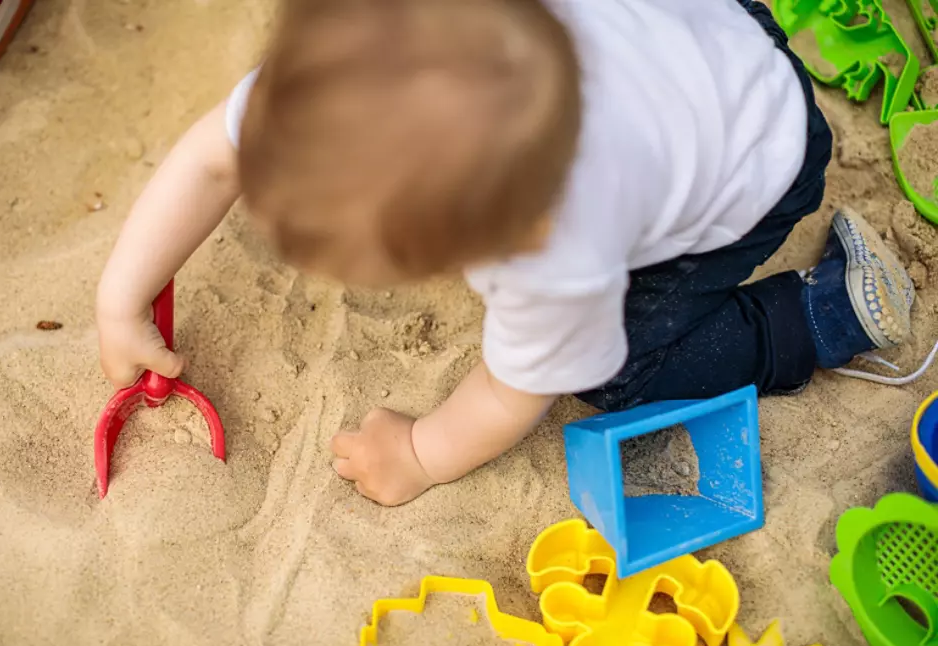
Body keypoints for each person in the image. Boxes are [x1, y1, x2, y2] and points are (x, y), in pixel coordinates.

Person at [96, 0, 914, 506]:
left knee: (609, 370)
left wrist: (419, 452)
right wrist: (122, 296)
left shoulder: (553, 246)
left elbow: (514, 391)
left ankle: (820, 313)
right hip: (712, 26)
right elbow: (215, 155)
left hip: (761, 164)